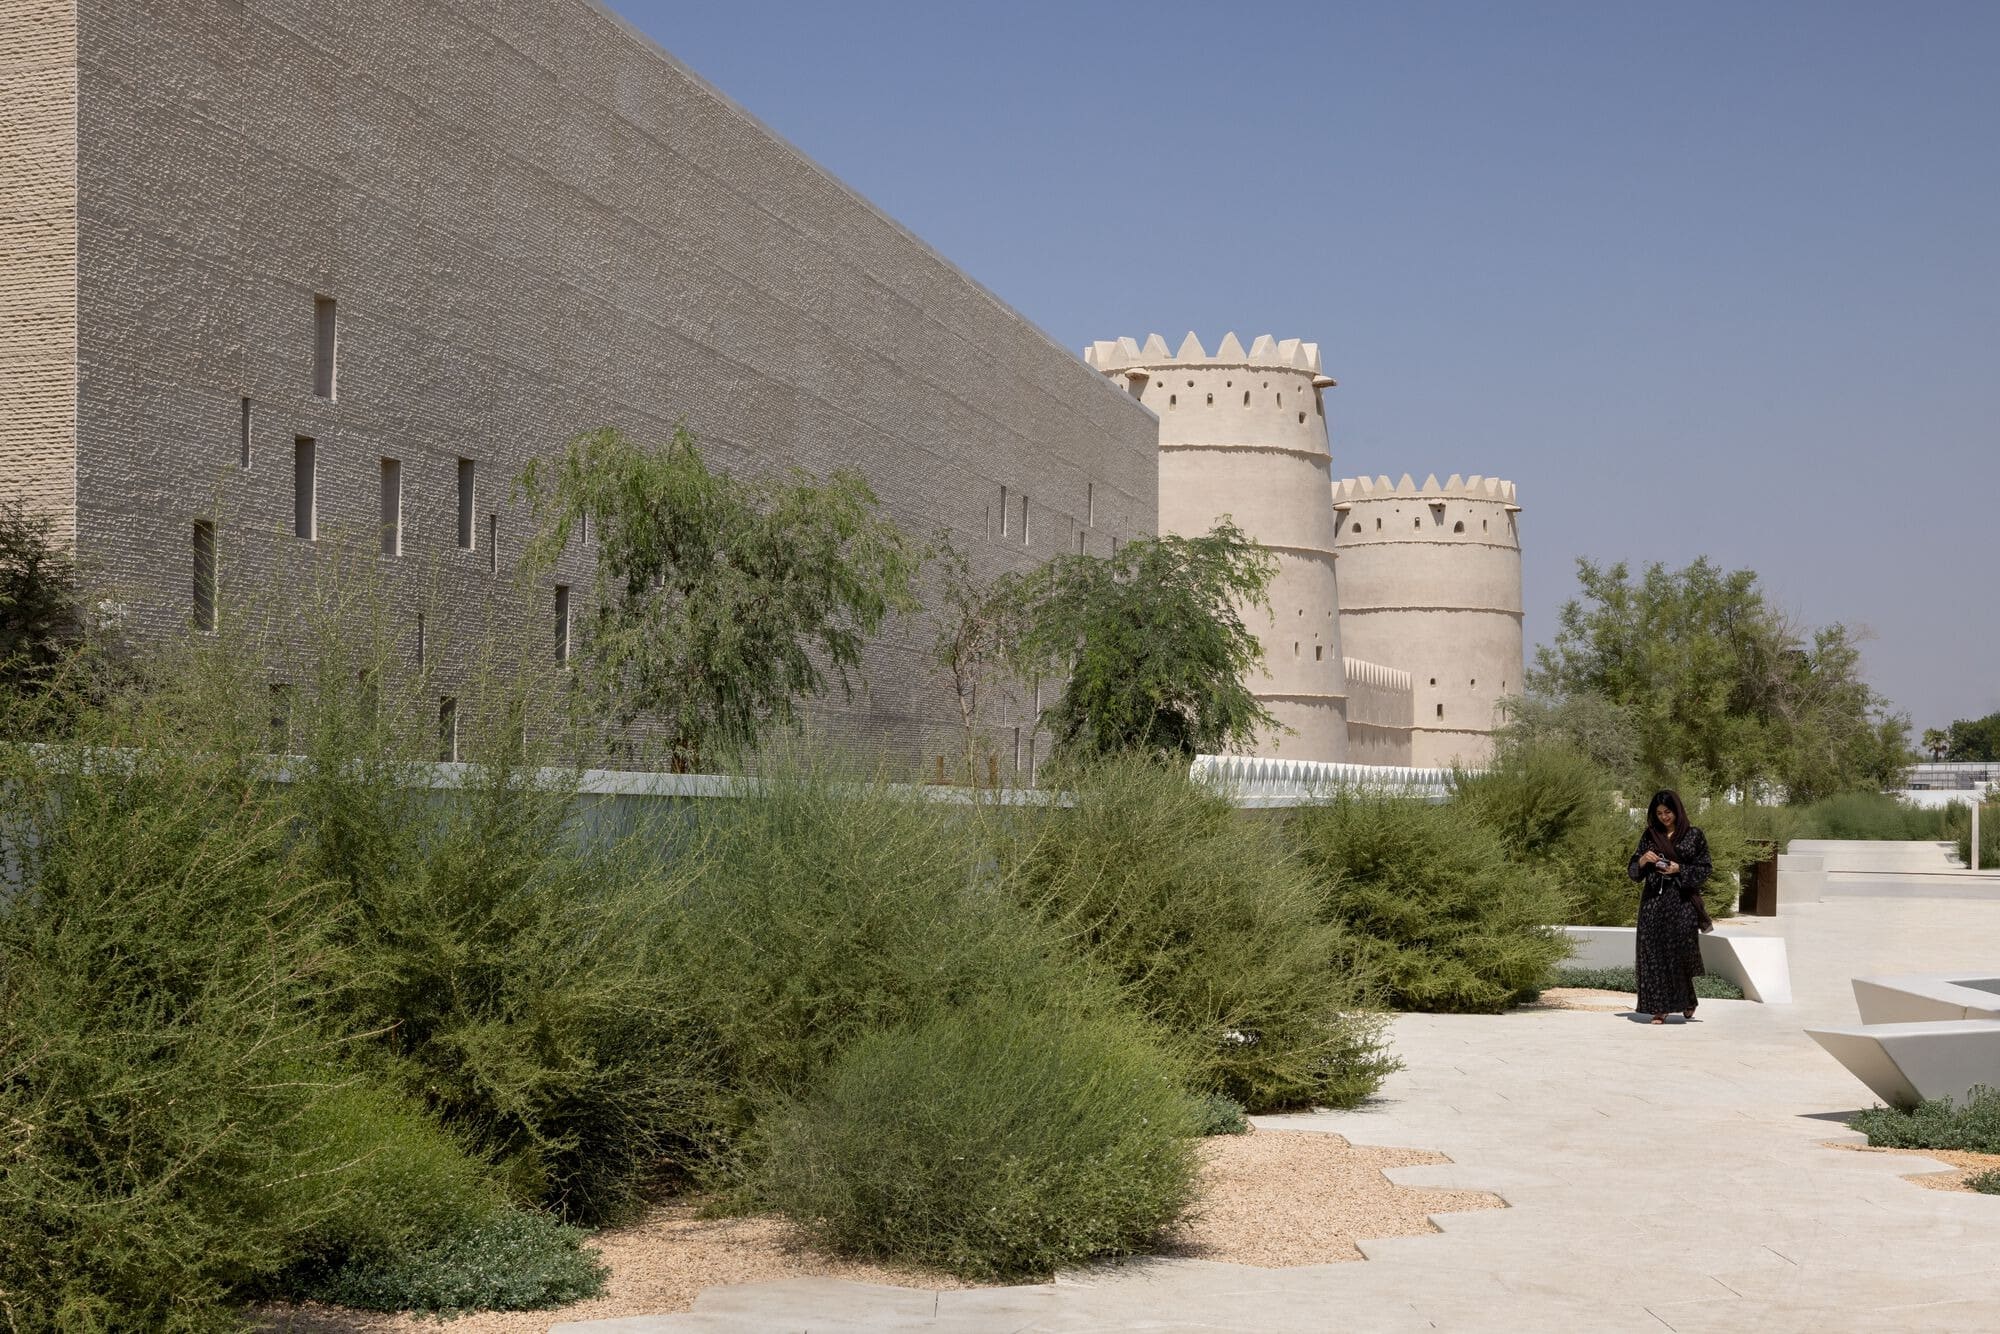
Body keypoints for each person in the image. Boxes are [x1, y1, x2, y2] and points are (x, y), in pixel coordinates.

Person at [1626, 789, 1715, 1024]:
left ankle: (1688, 1000)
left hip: (1682, 903)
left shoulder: (1693, 835)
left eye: (1668, 812)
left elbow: (1705, 868)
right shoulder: (1650, 835)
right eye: (1659, 813)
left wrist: (1679, 869)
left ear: (1677, 810)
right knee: (1653, 954)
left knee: (1680, 953)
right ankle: (1659, 1008)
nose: (1664, 817)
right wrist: (1643, 860)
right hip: (1653, 904)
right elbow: (1634, 872)